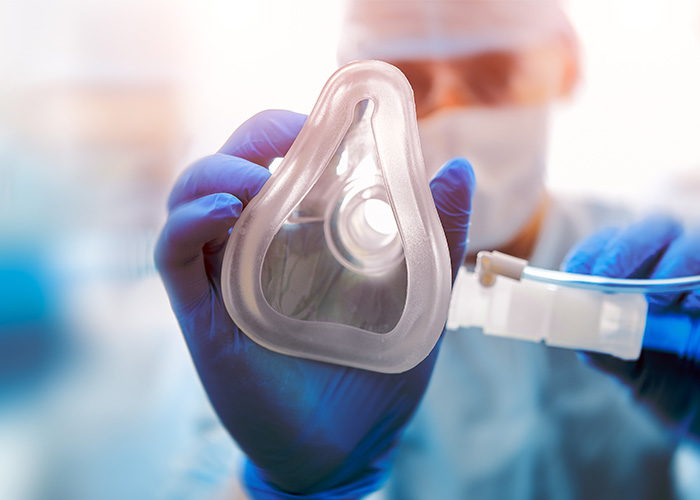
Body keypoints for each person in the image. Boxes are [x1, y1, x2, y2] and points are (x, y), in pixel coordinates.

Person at [156, 1, 700, 498]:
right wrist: (285, 486)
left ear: (563, 66)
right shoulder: (295, 297)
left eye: (492, 75)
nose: (454, 111)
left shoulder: (656, 276)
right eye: (411, 82)